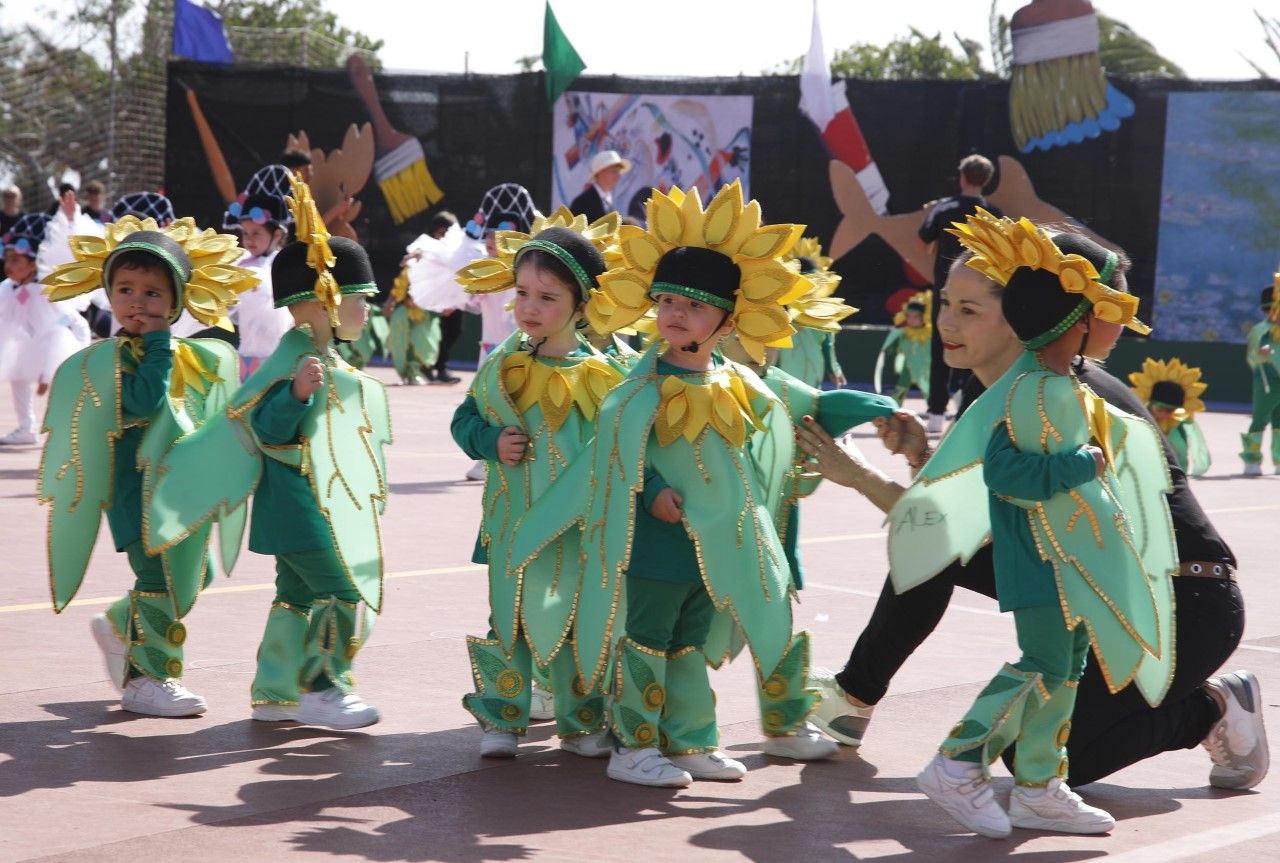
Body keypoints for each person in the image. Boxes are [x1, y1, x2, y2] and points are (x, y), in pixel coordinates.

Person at [801, 223, 1265, 813]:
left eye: (970, 309)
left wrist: (859, 475)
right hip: (1095, 585)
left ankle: (1212, 708)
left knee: (1033, 759)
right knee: (932, 551)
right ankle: (854, 698)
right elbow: (975, 513)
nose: (946, 322)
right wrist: (923, 457)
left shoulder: (1070, 394)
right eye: (944, 302)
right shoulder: (999, 392)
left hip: (1182, 605)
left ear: (1025, 314)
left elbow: (972, 510)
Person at [510, 182, 822, 788]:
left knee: (689, 641)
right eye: (668, 300)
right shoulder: (639, 387)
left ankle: (689, 740)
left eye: (695, 306)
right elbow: (613, 452)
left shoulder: (737, 385)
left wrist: (869, 416)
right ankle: (633, 745)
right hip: (655, 541)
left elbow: (774, 436)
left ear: (728, 321)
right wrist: (651, 489)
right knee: (648, 638)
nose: (677, 314)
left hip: (712, 541)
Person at [144, 176, 391, 730]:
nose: (368, 312)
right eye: (362, 301)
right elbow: (260, 422)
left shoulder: (318, 353)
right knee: (343, 589)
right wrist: (297, 395)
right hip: (301, 505)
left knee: (295, 596)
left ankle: (275, 691)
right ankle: (322, 686)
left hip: (302, 506)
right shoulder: (299, 357)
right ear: (324, 301)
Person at [38, 213, 254, 716]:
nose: (138, 301)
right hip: (136, 493)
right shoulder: (110, 359)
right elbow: (142, 402)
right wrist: (157, 345)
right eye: (126, 289)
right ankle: (148, 679)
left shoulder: (189, 355)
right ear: (109, 295)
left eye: (153, 293)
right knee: (161, 578)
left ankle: (119, 623)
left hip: (179, 489)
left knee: (192, 575)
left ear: (178, 302)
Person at [452, 214, 625, 758]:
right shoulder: (502, 367)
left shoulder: (605, 375)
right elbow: (464, 419)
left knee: (577, 616)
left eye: (547, 297)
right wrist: (488, 442)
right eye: (522, 292)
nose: (529, 307)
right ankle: (502, 718)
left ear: (582, 305)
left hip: (577, 529)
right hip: (512, 523)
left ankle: (580, 723)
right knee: (510, 620)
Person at [917, 154, 1000, 434]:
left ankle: (936, 412)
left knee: (941, 347)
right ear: (987, 180)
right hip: (982, 297)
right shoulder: (995, 216)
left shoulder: (944, 209)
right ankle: (965, 406)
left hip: (947, 292)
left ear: (962, 177)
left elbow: (923, 240)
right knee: (977, 347)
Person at [460, 184, 535, 480]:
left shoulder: (521, 276)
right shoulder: (485, 273)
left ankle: (514, 456)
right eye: (488, 237)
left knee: (511, 405)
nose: (491, 243)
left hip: (514, 351)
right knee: (482, 402)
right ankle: (485, 458)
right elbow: (470, 299)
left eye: (498, 238)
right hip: (488, 350)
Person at [0, 214, 88, 446]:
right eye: (7, 259)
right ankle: (26, 428)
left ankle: (75, 429)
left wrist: (70, 221)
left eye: (16, 260)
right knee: (18, 374)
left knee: (67, 384)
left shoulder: (47, 287)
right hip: (35, 342)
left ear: (32, 263)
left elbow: (68, 323)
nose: (9, 265)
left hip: (64, 338)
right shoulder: (8, 289)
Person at [228, 186, 293, 378]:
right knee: (247, 402)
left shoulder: (283, 264)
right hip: (248, 352)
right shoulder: (241, 263)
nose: (249, 239)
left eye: (256, 233)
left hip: (278, 352)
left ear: (278, 235)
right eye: (245, 233)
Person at [775, 238, 846, 389]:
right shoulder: (778, 308)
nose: (810, 288)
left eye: (814, 283)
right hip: (780, 378)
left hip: (810, 379)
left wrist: (834, 369)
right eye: (805, 283)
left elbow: (828, 344)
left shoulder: (823, 312)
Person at [1129, 356, 1211, 477]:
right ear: (1150, 403)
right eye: (1159, 409)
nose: (1163, 414)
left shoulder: (1179, 423)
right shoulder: (1137, 418)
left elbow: (1182, 455)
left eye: (1170, 411)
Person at [1241, 280, 1280, 475]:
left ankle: (1279, 460)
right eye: (1271, 310)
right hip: (1266, 379)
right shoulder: (1260, 330)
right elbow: (1252, 357)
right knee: (1260, 420)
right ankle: (1252, 459)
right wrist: (1262, 355)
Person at [383, 265, 440, 385]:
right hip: (404, 315)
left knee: (421, 343)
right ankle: (407, 373)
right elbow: (398, 288)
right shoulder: (409, 271)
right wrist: (390, 302)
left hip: (423, 314)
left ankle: (415, 372)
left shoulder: (435, 271)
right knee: (401, 344)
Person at [875, 291, 932, 405]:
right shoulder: (904, 333)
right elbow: (897, 345)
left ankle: (934, 408)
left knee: (927, 387)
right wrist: (890, 348)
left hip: (925, 367)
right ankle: (896, 404)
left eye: (915, 316)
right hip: (908, 365)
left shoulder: (929, 334)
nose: (911, 320)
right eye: (909, 316)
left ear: (924, 317)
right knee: (902, 386)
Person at [569, 150, 630, 223]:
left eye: (618, 171)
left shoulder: (608, 201)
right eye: (614, 171)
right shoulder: (581, 203)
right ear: (600, 172)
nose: (618, 175)